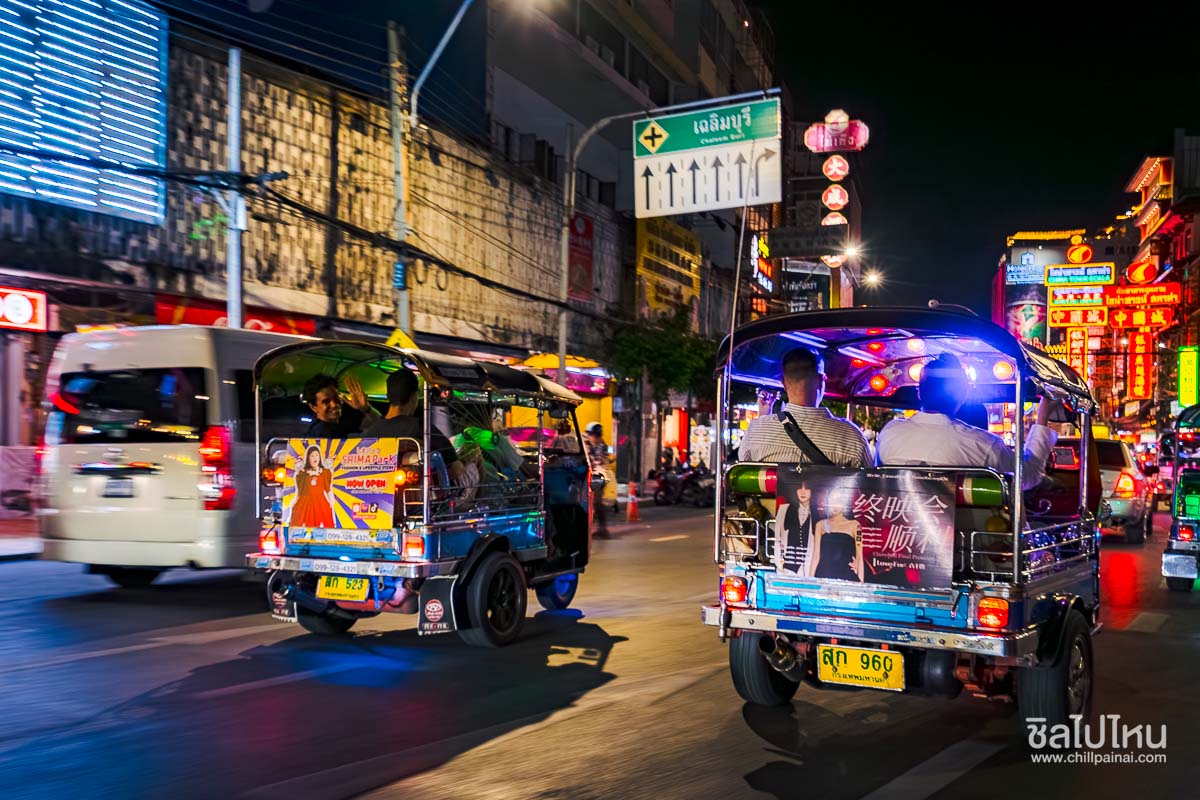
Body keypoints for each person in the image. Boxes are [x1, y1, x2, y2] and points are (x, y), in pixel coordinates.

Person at [876, 353, 1058, 490]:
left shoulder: (889, 433)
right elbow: (1029, 475)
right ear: (962, 394)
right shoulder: (984, 444)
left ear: (919, 392)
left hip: (899, 533)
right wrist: (1043, 416)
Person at [738, 347, 873, 468]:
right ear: (821, 381)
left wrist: (764, 418)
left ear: (784, 383)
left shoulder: (755, 431)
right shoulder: (851, 437)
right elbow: (868, 486)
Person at [363, 369, 466, 484]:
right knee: (471, 453)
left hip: (379, 490)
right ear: (414, 397)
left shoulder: (370, 434)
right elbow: (456, 469)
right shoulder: (422, 427)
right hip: (421, 494)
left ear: (388, 397)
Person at [302, 374, 380, 438]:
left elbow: (381, 426)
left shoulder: (340, 426)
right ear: (313, 407)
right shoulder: (321, 433)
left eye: (336, 397)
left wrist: (366, 408)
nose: (334, 404)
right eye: (326, 401)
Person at [811, 486, 863, 581]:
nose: (835, 505)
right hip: (824, 575)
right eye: (832, 501)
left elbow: (860, 557)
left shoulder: (855, 525)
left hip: (847, 578)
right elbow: (815, 556)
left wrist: (862, 586)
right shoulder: (820, 525)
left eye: (838, 501)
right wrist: (809, 582)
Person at [288, 445, 336, 528]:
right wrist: (294, 502)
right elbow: (299, 492)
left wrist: (331, 501)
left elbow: (328, 489)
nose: (315, 458)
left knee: (323, 526)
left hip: (320, 503)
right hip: (305, 503)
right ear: (308, 458)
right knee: (303, 526)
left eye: (317, 455)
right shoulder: (302, 474)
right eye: (312, 455)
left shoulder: (325, 472)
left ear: (320, 457)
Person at [775, 478, 814, 575]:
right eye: (799, 488)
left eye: (807, 488)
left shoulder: (817, 512)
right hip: (787, 567)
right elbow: (777, 538)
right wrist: (779, 565)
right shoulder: (784, 509)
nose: (803, 492)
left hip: (808, 568)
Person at [585, 422, 611, 538]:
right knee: (595, 503)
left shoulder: (600, 445)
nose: (593, 437)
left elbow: (597, 461)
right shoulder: (594, 444)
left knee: (597, 503)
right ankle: (601, 528)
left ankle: (603, 529)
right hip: (596, 476)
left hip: (599, 477)